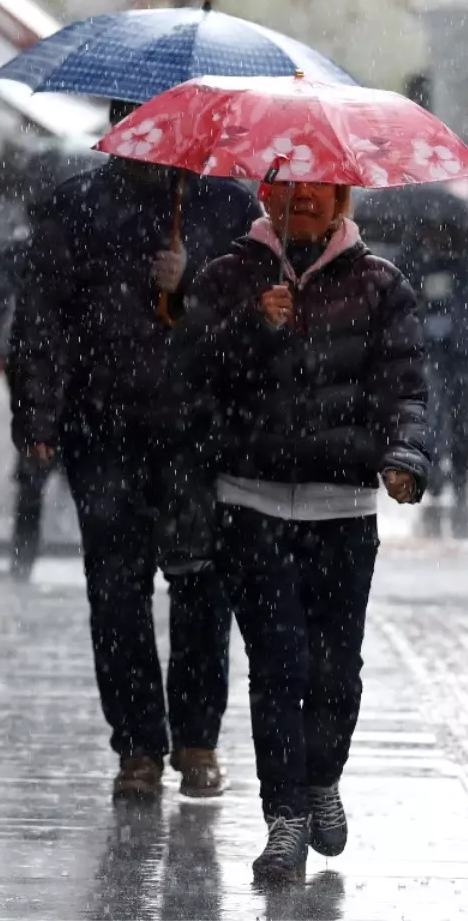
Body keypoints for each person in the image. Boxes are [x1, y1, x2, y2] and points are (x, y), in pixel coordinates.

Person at [9, 100, 261, 799]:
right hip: (104, 427)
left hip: (199, 432)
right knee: (116, 592)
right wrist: (37, 415)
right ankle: (137, 746)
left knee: (201, 586)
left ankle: (198, 739)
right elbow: (40, 318)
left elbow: (256, 320)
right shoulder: (74, 208)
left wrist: (196, 281)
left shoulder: (224, 208)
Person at [182, 180, 429, 880]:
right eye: (288, 187)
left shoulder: (382, 285)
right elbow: (190, 374)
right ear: (266, 192)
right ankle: (285, 817)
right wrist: (252, 327)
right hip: (250, 503)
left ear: (341, 198)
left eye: (319, 190)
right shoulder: (228, 276)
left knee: (334, 672)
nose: (303, 201)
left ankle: (322, 777)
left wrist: (404, 458)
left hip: (342, 511)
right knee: (277, 667)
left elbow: (405, 387)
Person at [397, 222, 468, 538]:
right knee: (429, 414)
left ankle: (459, 476)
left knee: (461, 417)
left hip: (461, 355)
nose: (439, 236)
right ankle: (433, 473)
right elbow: (395, 302)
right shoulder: (412, 260)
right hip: (426, 353)